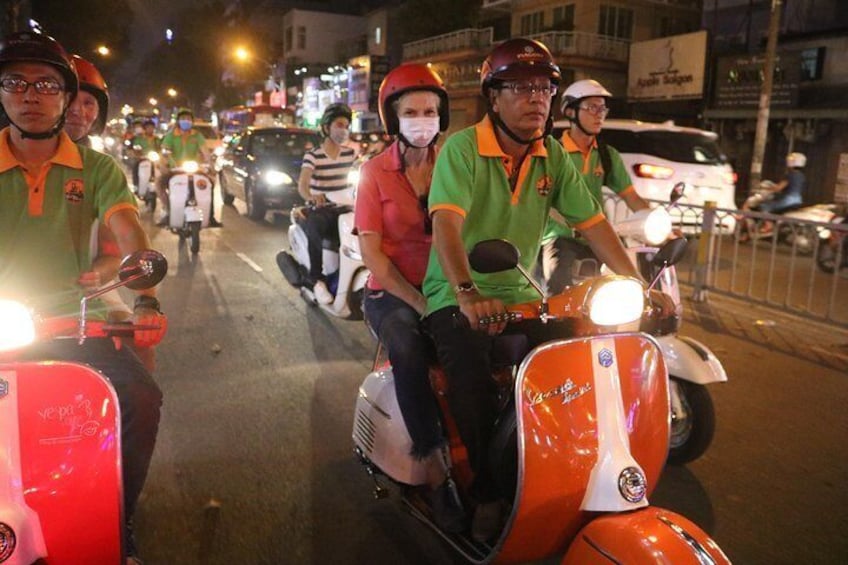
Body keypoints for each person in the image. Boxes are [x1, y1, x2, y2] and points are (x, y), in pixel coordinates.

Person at [422, 38, 672, 542]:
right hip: (456, 295)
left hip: (524, 293)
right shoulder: (462, 149)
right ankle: (489, 493)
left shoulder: (552, 155)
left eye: (545, 87)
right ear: (494, 97)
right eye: (521, 87)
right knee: (470, 377)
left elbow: (597, 225)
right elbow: (447, 225)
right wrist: (468, 293)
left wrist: (637, 284)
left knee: (580, 358)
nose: (537, 98)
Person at [0, 31, 165, 564]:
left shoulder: (99, 170)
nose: (31, 94)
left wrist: (145, 299)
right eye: (15, 82)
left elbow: (129, 233)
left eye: (46, 83)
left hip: (73, 320)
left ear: (67, 98)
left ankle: (121, 515)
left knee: (140, 398)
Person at [354, 63, 465, 531]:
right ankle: (437, 473)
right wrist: (422, 305)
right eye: (412, 111)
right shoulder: (373, 173)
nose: (423, 119)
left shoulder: (455, 165)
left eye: (431, 111)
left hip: (446, 289)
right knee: (407, 345)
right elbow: (375, 259)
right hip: (391, 295)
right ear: (393, 119)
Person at [541, 79, 651, 293]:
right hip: (560, 236)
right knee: (558, 285)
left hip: (598, 234)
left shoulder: (606, 155)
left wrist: (658, 222)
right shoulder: (554, 152)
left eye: (602, 109)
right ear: (570, 112)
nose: (599, 114)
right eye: (592, 107)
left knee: (632, 281)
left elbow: (631, 197)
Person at [296, 102, 357, 304]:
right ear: (326, 128)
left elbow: (363, 173)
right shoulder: (313, 155)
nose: (343, 130)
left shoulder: (351, 154)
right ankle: (316, 278)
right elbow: (303, 184)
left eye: (346, 126)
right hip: (322, 210)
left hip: (346, 208)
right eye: (339, 125)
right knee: (315, 226)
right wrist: (311, 196)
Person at [158, 107, 218, 226]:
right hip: (175, 169)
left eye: (188, 119)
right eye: (183, 118)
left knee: (210, 184)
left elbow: (205, 152)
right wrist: (163, 166)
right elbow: (164, 152)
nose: (186, 121)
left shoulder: (197, 136)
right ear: (178, 121)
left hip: (195, 169)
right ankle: (168, 210)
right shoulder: (171, 136)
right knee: (159, 184)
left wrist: (211, 167)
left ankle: (210, 216)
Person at [740, 152, 807, 239]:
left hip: (787, 200)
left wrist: (769, 189)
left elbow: (779, 188)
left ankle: (768, 225)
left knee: (764, 206)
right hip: (797, 200)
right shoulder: (801, 176)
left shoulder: (790, 175)